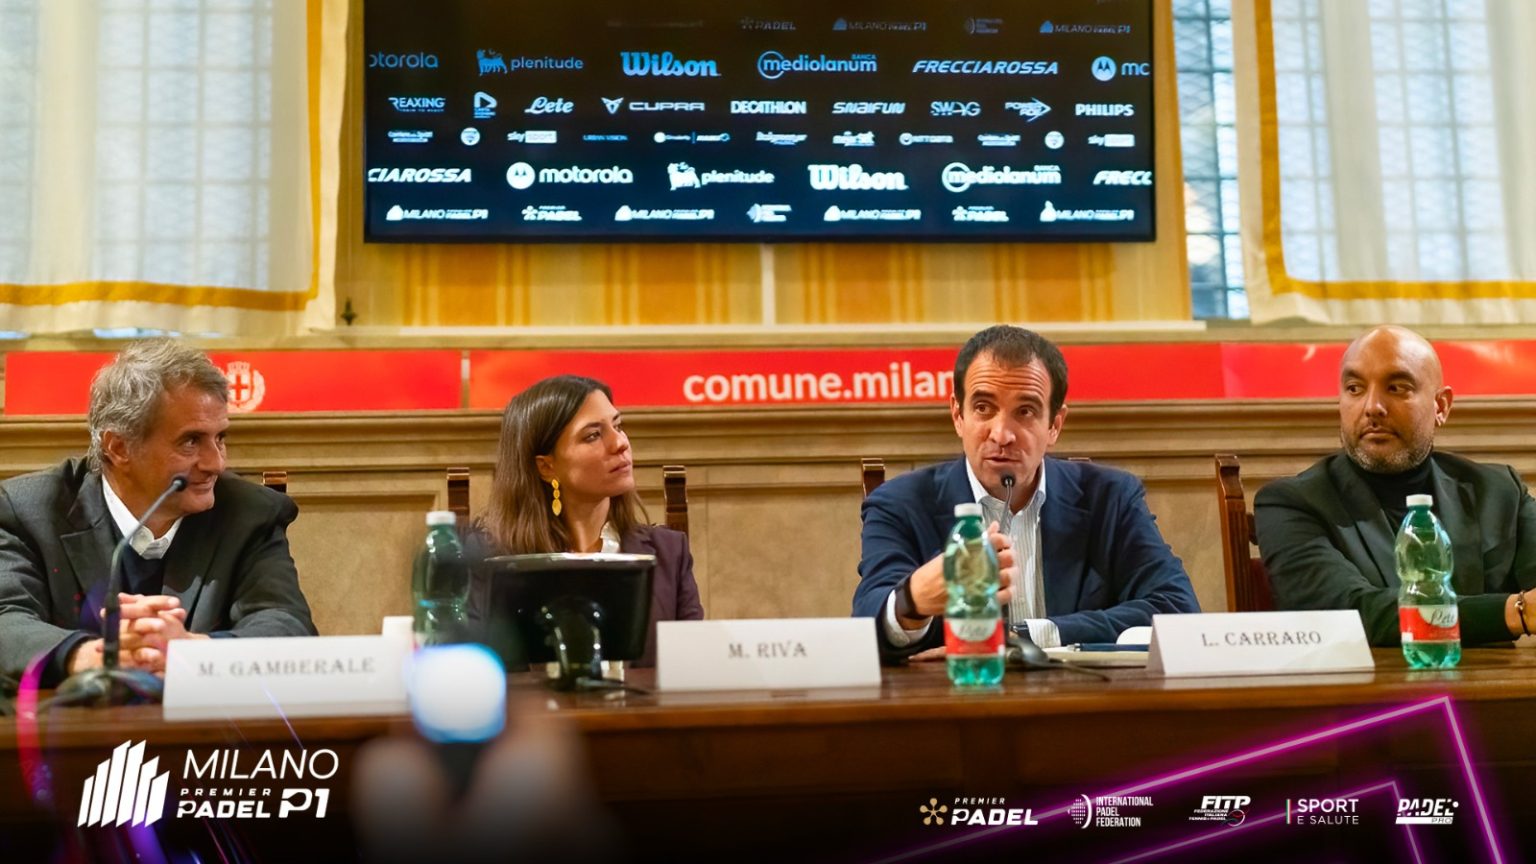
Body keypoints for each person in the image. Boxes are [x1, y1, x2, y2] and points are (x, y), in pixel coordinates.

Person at [852, 326, 1199, 657]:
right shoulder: (901, 503)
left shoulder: (1110, 498)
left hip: (1081, 694)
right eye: (983, 408)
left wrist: (1024, 636)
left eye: (1025, 411)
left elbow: (1177, 608)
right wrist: (912, 599)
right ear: (958, 415)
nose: (1001, 434)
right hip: (958, 695)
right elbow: (868, 623)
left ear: (1054, 426)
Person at [0, 339, 316, 688]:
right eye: (191, 441)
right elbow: (6, 621)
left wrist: (191, 651)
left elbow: (288, 624)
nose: (215, 463)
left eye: (220, 438)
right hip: (66, 720)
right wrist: (94, 656)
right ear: (119, 447)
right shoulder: (29, 511)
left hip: (202, 722)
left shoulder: (250, 513)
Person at [1255, 325, 1536, 646]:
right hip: (1370, 680)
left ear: (1441, 406)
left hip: (1494, 679)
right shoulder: (1291, 503)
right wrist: (1518, 612)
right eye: (1355, 388)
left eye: (1397, 387)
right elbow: (1349, 614)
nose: (1372, 406)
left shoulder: (1499, 491)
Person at [469, 375, 703, 666]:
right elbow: (472, 673)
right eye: (593, 435)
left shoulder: (669, 552)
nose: (620, 443)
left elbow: (694, 669)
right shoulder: (487, 561)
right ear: (546, 466)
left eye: (618, 426)